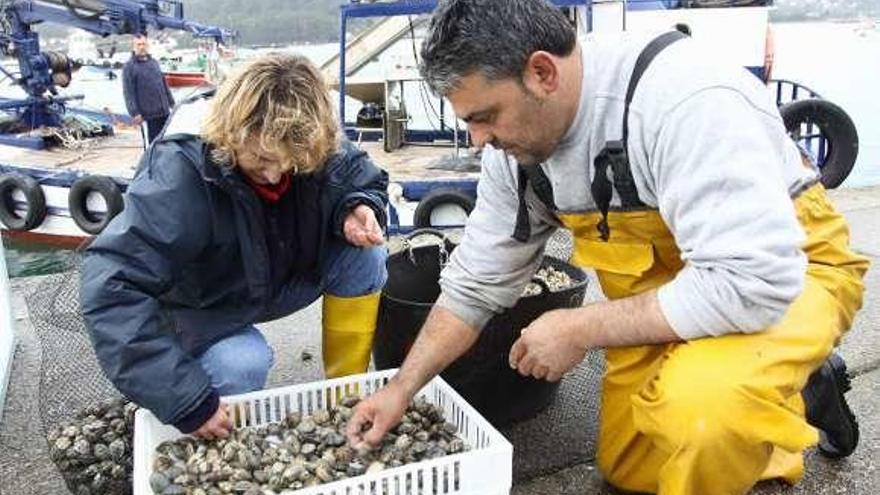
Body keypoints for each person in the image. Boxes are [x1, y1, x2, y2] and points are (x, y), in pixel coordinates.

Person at [346, 1, 869, 494]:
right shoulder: (515, 155)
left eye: (486, 116)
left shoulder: (684, 99)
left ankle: (780, 385)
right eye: (468, 122)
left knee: (700, 416)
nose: (479, 140)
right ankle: (789, 390)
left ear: (543, 73)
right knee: (631, 468)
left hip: (785, 275)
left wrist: (580, 327)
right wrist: (401, 389)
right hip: (673, 291)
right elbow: (474, 285)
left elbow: (750, 283)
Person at [82, 53, 389, 439]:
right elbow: (112, 284)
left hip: (275, 280)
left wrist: (356, 207)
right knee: (242, 363)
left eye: (290, 162)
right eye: (260, 158)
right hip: (205, 304)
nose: (274, 172)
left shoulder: (307, 134)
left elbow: (362, 178)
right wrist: (186, 400)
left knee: (367, 253)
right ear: (233, 132)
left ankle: (343, 397)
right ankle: (212, 430)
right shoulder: (181, 171)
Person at [122, 33, 175, 144]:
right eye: (139, 45)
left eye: (144, 44)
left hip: (164, 111)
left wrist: (172, 103)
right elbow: (128, 92)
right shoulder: (129, 67)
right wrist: (135, 112)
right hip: (148, 115)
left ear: (148, 46)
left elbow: (164, 85)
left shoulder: (154, 63)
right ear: (133, 47)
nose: (142, 47)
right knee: (152, 144)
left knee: (166, 141)